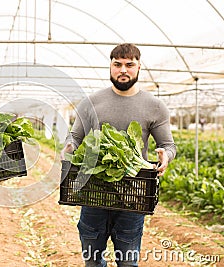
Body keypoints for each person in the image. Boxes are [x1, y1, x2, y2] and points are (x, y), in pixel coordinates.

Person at [60, 43, 176, 267]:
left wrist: (165, 157)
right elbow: (75, 137)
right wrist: (69, 147)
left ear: (139, 67)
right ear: (110, 67)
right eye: (118, 64)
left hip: (132, 196)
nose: (123, 70)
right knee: (92, 262)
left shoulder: (155, 106)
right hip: (93, 193)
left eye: (129, 65)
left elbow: (168, 145)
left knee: (128, 263)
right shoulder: (91, 102)